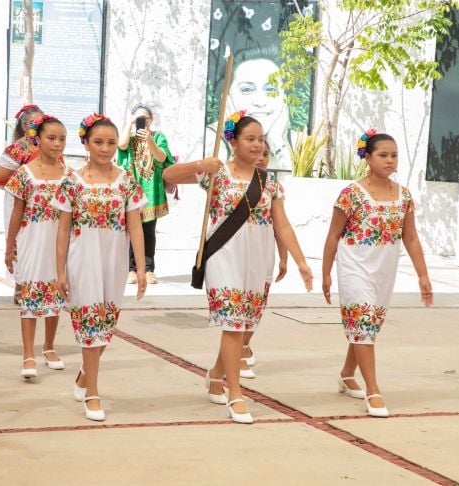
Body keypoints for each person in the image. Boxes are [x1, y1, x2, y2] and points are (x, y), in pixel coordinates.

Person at [163, 113, 312, 424]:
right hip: (223, 256)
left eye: (261, 139)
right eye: (251, 139)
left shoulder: (269, 182)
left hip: (258, 259)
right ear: (233, 141)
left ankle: (217, 374)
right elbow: (169, 175)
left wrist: (299, 260)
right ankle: (236, 394)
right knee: (233, 323)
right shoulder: (217, 174)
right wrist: (201, 165)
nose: (258, 145)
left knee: (243, 327)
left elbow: (282, 225)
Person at [322, 130, 432, 418]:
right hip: (354, 268)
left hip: (384, 272)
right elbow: (333, 236)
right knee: (363, 320)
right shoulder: (351, 194)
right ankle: (373, 391)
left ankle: (348, 373)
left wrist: (423, 275)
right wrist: (326, 273)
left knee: (367, 326)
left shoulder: (404, 196)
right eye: (383, 155)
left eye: (394, 155)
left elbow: (411, 238)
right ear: (367, 157)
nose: (389, 160)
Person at [54, 114, 147, 422]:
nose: (105, 149)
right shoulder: (72, 181)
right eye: (98, 142)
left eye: (110, 143)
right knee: (90, 323)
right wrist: (60, 271)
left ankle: (85, 374)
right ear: (85, 144)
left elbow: (135, 226)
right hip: (83, 260)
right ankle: (93, 393)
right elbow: (63, 230)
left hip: (115, 261)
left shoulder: (127, 181)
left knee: (106, 326)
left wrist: (142, 268)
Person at [4, 115, 66, 378]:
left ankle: (49, 347)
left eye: (62, 139)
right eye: (51, 138)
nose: (57, 144)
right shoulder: (24, 174)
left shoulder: (70, 175)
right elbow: (17, 213)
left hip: (60, 242)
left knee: (56, 295)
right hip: (32, 241)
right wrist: (10, 247)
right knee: (30, 296)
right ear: (37, 139)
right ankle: (28, 354)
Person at [239, 143, 289, 379]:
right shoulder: (231, 180)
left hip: (263, 252)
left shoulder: (272, 186)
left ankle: (245, 344)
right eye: (257, 152)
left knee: (257, 304)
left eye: (266, 154)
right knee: (239, 302)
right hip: (237, 253)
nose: (261, 158)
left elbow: (280, 224)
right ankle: (236, 353)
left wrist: (284, 256)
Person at [117, 103, 176, 285]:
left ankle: (149, 269)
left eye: (146, 119)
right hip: (132, 192)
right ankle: (132, 269)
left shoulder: (158, 137)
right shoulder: (131, 138)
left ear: (151, 120)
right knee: (131, 230)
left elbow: (161, 158)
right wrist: (130, 123)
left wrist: (149, 140)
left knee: (149, 231)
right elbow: (121, 144)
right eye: (139, 119)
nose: (143, 122)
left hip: (151, 192)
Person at [206, 48, 291, 171]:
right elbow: (211, 182)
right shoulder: (210, 138)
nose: (260, 102)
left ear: (284, 97)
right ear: (226, 98)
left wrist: (277, 141)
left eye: (271, 90)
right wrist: (229, 137)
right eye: (247, 90)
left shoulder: (299, 141)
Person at [0, 104, 44, 304]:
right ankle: (21, 285)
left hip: (44, 205)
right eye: (35, 122)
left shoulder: (48, 146)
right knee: (20, 240)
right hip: (19, 203)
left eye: (42, 122)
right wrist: (25, 186)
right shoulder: (17, 149)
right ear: (24, 126)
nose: (40, 125)